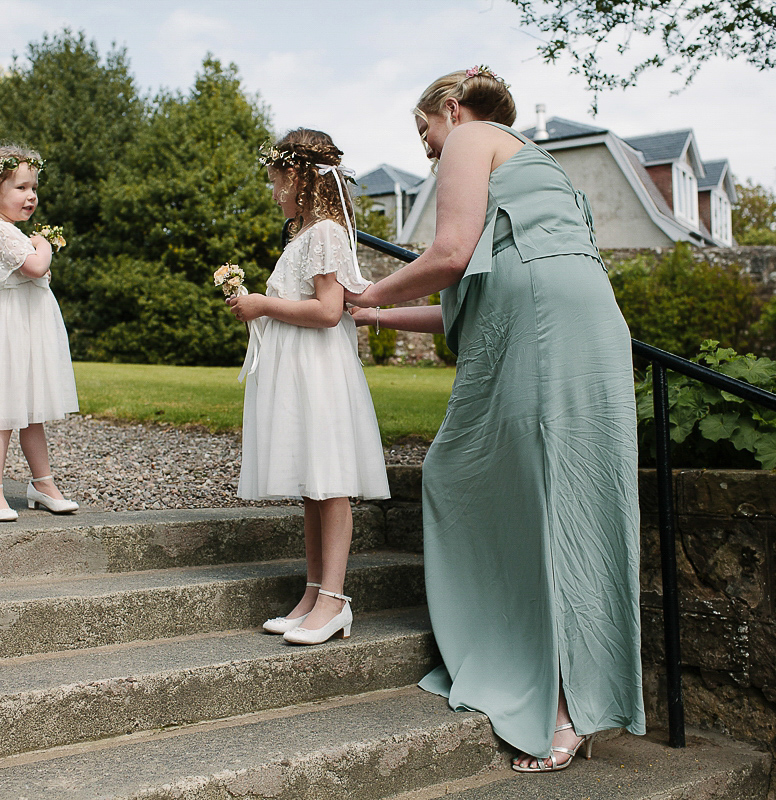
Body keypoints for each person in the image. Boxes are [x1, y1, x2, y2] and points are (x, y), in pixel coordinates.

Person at [345, 68, 645, 772]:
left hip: (540, 316)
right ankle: (568, 687)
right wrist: (375, 313)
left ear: (450, 108)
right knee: (573, 495)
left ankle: (562, 706)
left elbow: (449, 256)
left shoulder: (472, 135)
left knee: (541, 496)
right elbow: (466, 298)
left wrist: (367, 285)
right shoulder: (544, 170)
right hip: (581, 315)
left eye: (424, 131)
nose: (426, 150)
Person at [227, 129, 390, 645]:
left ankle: (335, 600)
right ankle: (313, 591)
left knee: (330, 482)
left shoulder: (323, 234)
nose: (274, 193)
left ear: (296, 176)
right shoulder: (302, 237)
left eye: (276, 182)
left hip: (320, 370)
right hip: (298, 369)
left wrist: (261, 304)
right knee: (311, 488)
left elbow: (328, 311)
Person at [0, 144, 80, 522]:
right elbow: (36, 267)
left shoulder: (9, 232)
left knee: (31, 410)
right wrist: (43, 245)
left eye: (34, 188)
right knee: (3, 410)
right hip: (8, 329)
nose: (32, 196)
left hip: (27, 328)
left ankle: (42, 483)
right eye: (21, 188)